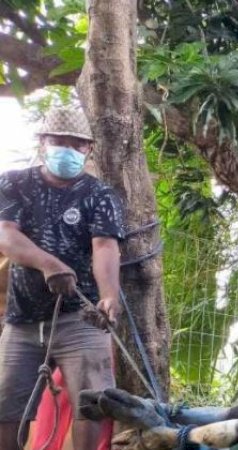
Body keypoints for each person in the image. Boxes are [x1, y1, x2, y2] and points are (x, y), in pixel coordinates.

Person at [0, 107, 124, 450]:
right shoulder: (13, 182)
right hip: (22, 321)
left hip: (81, 319)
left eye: (77, 144)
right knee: (7, 408)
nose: (67, 150)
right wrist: (48, 263)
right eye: (59, 141)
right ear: (43, 142)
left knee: (91, 404)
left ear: (88, 149)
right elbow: (5, 236)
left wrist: (109, 297)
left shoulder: (101, 195)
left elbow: (105, 247)